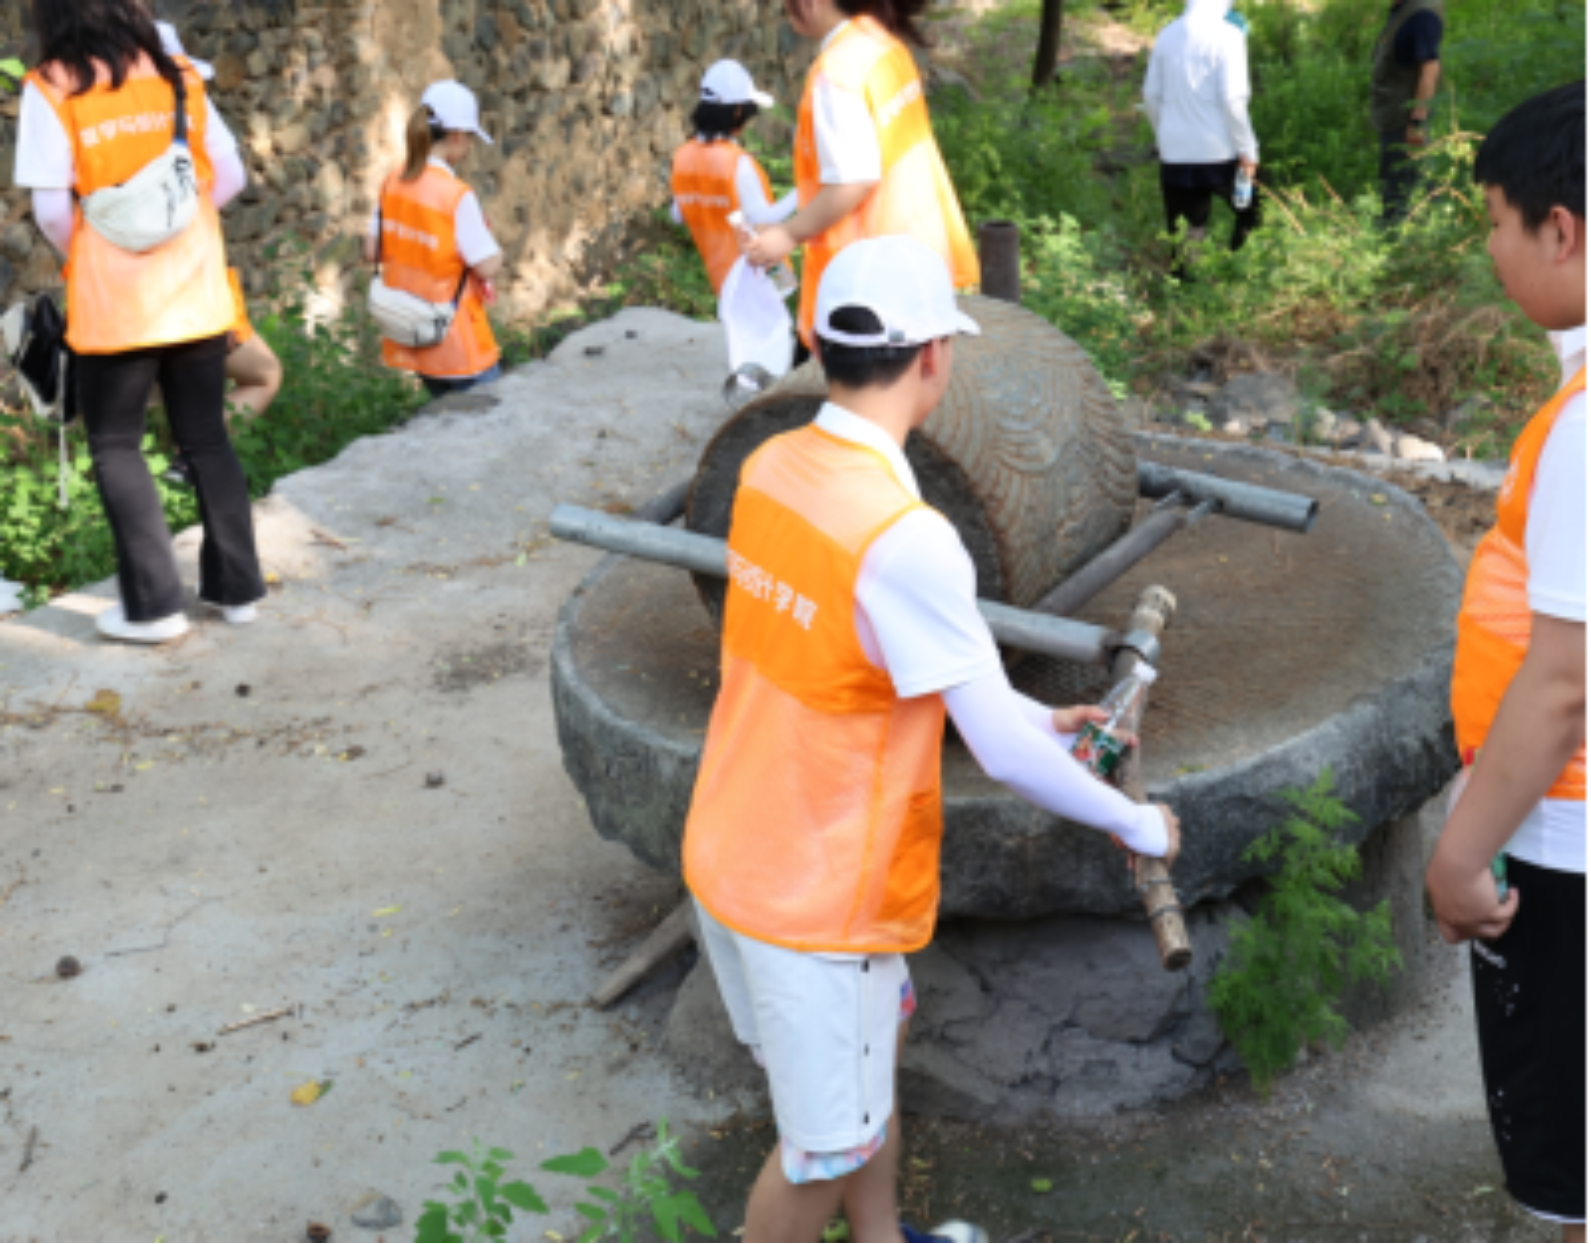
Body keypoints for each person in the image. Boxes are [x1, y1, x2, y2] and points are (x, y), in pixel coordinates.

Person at [684, 235, 1183, 1244]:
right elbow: (992, 748)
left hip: (734, 844)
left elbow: (854, 655)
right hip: (816, 897)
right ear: (933, 359)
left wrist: (1042, 715)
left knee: (862, 1086)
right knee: (819, 1152)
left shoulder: (775, 466)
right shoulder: (904, 536)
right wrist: (1140, 824)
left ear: (817, 346)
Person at [1429, 81, 1587, 1244]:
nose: (1487, 246)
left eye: (1492, 219)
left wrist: (1459, 850)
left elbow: (1563, 678)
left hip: (1565, 848)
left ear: (1561, 229)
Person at [14, 0, 266, 644]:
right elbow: (231, 175)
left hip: (115, 304)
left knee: (117, 445)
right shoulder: (178, 72)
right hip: (197, 287)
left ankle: (153, 608)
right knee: (207, 438)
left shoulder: (50, 87)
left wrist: (101, 252)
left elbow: (49, 211)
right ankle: (238, 593)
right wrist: (174, 224)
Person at [745, 0, 980, 351]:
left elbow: (853, 179)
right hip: (917, 249)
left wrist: (789, 234)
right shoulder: (884, 46)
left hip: (869, 276)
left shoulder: (837, 73)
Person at [154, 22, 283, 490]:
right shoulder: (186, 98)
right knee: (264, 374)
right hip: (194, 277)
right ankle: (188, 462)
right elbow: (232, 177)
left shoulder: (98, 114)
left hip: (122, 291)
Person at [364, 81, 503, 399]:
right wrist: (494, 248)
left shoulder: (392, 182)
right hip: (458, 343)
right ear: (456, 136)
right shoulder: (456, 195)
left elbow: (372, 249)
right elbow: (486, 267)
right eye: (469, 139)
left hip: (415, 335)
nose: (467, 148)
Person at [1143, 0, 1262, 272]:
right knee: (1253, 211)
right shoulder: (1229, 36)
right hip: (1221, 151)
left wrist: (1165, 136)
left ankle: (1184, 293)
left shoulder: (1167, 34)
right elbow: (1233, 100)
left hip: (1175, 152)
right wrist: (1248, 150)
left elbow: (1150, 95)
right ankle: (1236, 272)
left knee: (1186, 231)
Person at [672, 60, 799, 296]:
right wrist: (803, 191)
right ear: (738, 111)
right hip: (762, 275)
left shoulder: (683, 156)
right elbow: (760, 217)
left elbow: (678, 214)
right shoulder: (736, 162)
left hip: (722, 278)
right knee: (773, 330)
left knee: (735, 330)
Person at [1373, 0, 1446, 226]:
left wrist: (1417, 121)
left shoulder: (1422, 15)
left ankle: (1405, 243)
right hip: (1394, 113)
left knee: (1404, 188)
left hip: (1406, 117)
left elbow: (1430, 69)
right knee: (1402, 181)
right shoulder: (1402, 10)